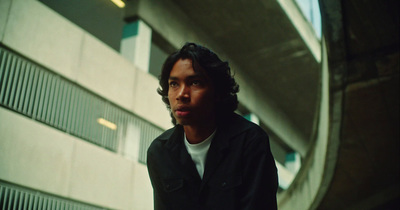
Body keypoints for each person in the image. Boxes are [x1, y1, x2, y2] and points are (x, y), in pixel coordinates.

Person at [147, 42, 278, 210]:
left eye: (195, 83)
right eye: (174, 84)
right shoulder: (160, 153)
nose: (181, 94)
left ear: (217, 91)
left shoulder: (250, 142)